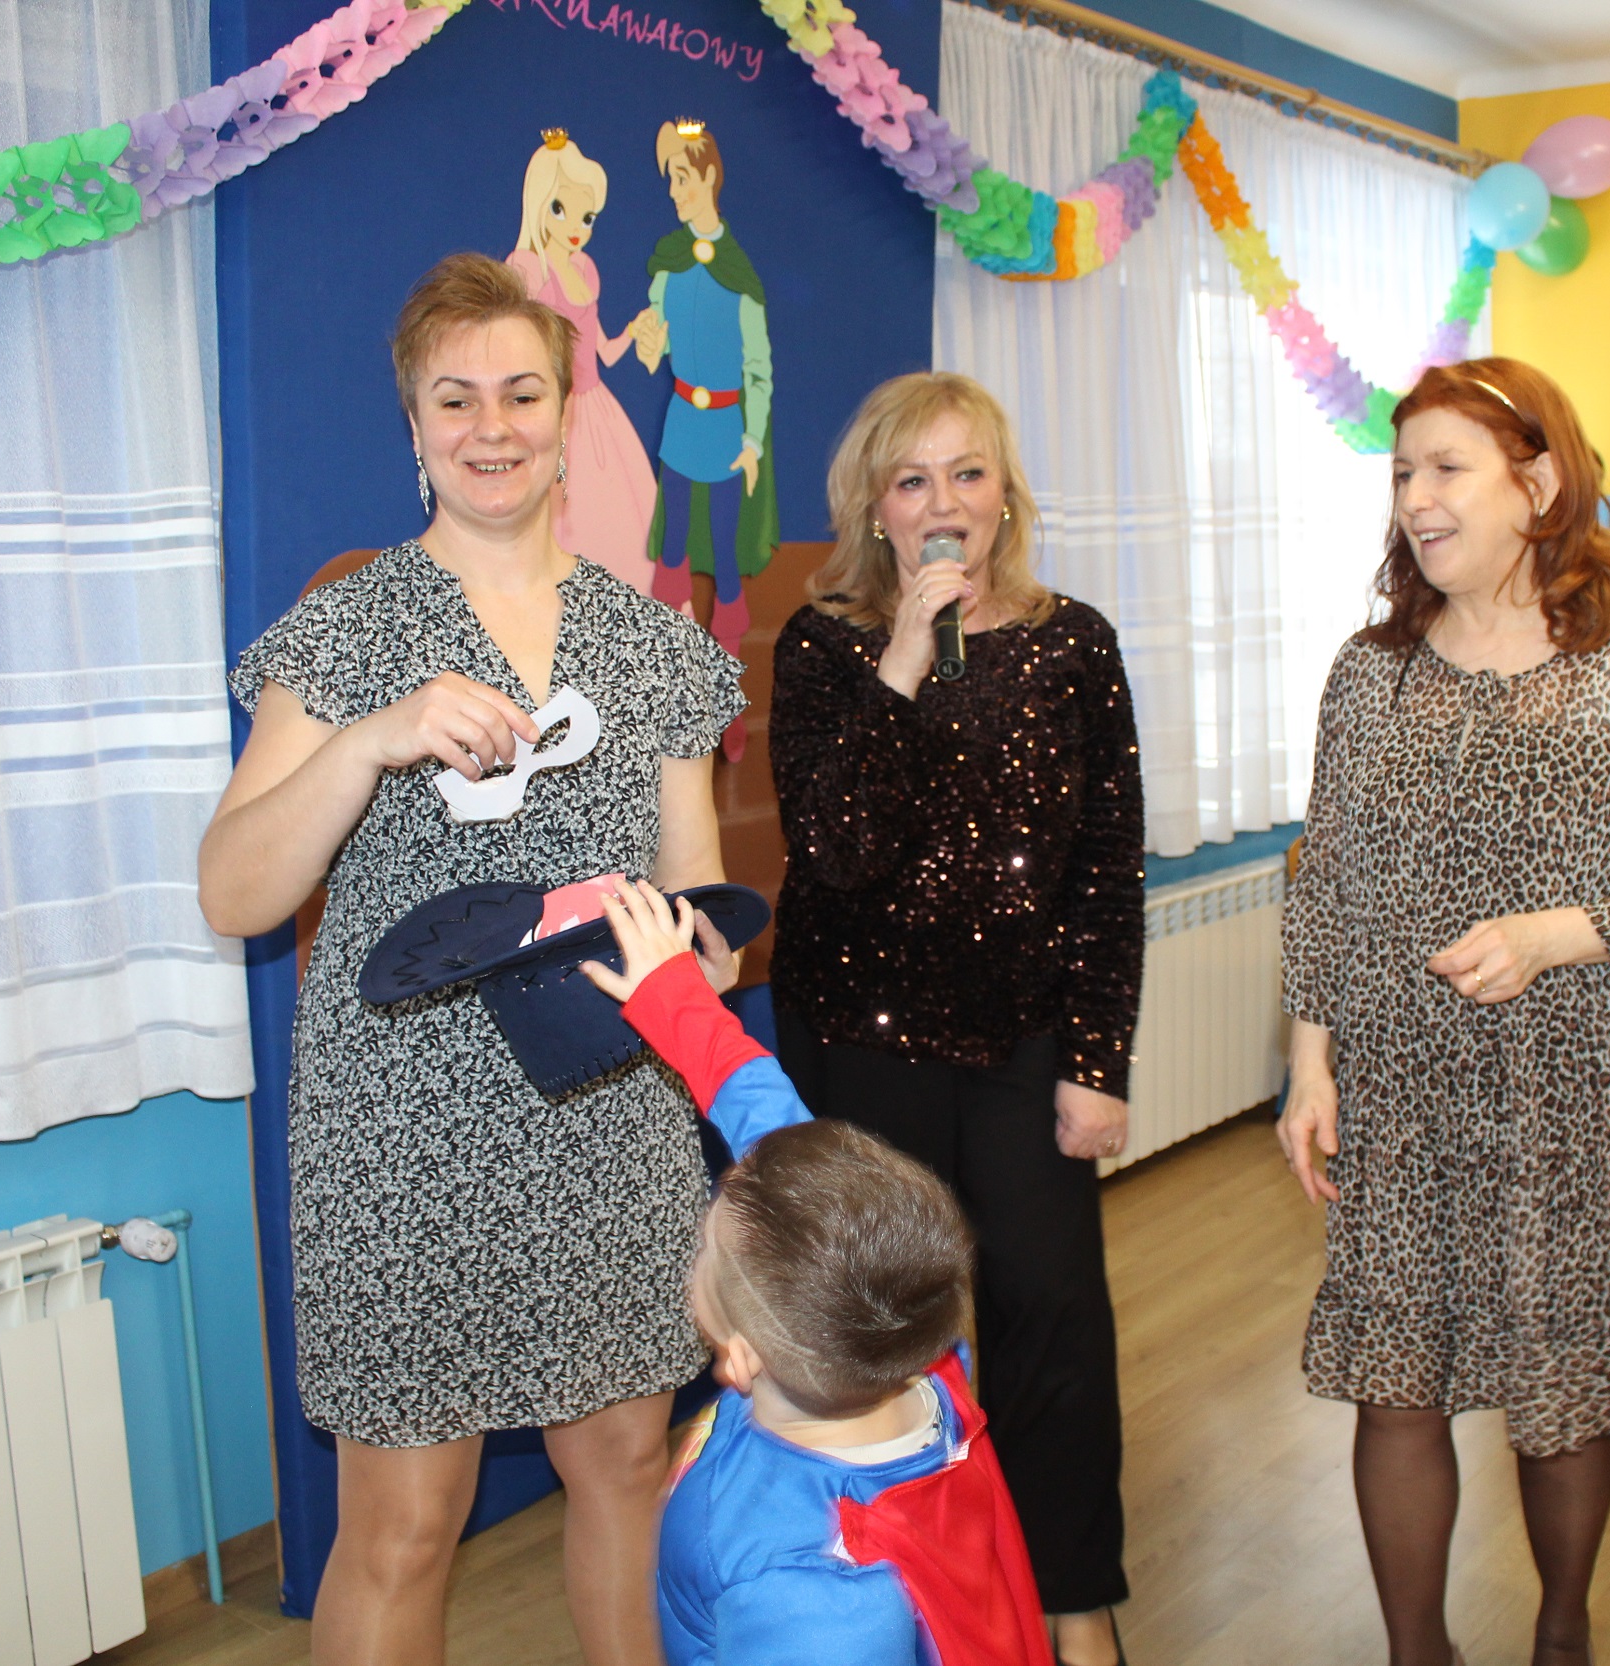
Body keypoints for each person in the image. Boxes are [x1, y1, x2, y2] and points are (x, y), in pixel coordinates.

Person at [198, 251, 744, 1666]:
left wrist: (691, 953)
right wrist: (368, 742)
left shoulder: (654, 646)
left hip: (608, 1115)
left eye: (520, 393)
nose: (490, 425)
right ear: (415, 425)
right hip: (402, 1135)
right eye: (455, 399)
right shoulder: (349, 630)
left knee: (627, 1462)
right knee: (402, 1522)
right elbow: (234, 890)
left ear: (567, 418)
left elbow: (699, 903)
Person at [1277, 358, 1610, 1666]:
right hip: (1402, 1090)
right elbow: (1328, 876)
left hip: (1579, 1089)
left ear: (1539, 482)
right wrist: (1309, 1064)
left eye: (1447, 467)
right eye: (1403, 471)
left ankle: (1563, 1635)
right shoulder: (1369, 675)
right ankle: (1418, 1653)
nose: (1416, 497)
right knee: (1396, 1387)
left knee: (1563, 1390)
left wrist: (1556, 934)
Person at [766, 372, 1142, 1666]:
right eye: (913, 479)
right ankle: (904, 1600)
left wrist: (1096, 1060)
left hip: (1024, 1043)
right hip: (861, 1041)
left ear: (1005, 495)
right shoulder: (823, 648)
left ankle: (1074, 1601)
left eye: (967, 473)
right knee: (882, 1331)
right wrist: (905, 661)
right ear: (875, 508)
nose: (944, 502)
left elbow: (1106, 867)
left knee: (1052, 1316)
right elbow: (837, 850)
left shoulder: (1074, 642)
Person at [575, 876, 1055, 1666]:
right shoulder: (909, 1345)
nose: (701, 1244)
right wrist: (674, 997)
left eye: (707, 1248)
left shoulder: (812, 1592)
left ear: (739, 1357)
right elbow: (773, 1128)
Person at [630, 115, 777, 745]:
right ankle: (666, 706)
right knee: (671, 563)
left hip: (724, 438)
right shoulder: (668, 265)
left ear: (710, 176)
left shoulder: (739, 275)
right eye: (670, 181)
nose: (675, 192)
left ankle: (727, 711)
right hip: (681, 429)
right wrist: (648, 340)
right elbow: (654, 351)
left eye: (683, 179)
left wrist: (752, 442)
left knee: (726, 570)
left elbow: (758, 370)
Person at [508, 129, 658, 593]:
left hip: (597, 412)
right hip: (554, 416)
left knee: (623, 521)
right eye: (561, 209)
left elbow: (601, 349)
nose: (576, 226)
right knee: (562, 526)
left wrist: (634, 331)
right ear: (540, 204)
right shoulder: (527, 268)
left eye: (587, 216)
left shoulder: (584, 268)